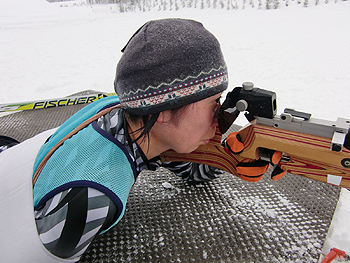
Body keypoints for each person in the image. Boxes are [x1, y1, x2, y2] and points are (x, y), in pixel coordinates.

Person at [0, 18, 228, 262]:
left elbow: (193, 170)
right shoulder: (89, 198)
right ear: (163, 109)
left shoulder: (126, 118)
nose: (219, 120)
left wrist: (234, 156)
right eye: (214, 103)